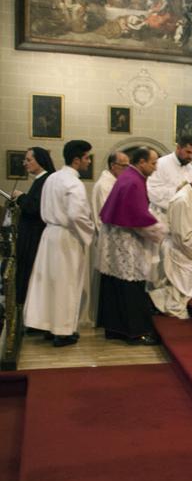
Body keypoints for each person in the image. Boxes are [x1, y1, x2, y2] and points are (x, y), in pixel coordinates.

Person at [23, 140, 93, 347]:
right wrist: (89, 233)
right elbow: (76, 215)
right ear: (76, 159)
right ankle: (63, 332)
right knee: (66, 284)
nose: (89, 162)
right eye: (87, 157)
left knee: (49, 283)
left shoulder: (52, 178)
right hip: (66, 237)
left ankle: (48, 326)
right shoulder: (74, 183)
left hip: (49, 235)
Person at [97, 146, 166, 345]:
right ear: (141, 162)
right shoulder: (133, 182)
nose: (155, 168)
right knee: (132, 288)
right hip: (125, 243)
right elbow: (138, 219)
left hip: (117, 239)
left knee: (117, 286)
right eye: (153, 163)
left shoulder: (128, 177)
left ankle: (116, 330)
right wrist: (161, 232)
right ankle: (137, 332)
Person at [149, 168, 192, 318]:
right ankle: (154, 300)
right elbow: (182, 235)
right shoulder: (182, 200)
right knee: (176, 298)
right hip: (180, 251)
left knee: (189, 293)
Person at [87, 150, 130, 323]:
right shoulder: (105, 185)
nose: (128, 169)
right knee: (111, 283)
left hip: (116, 238)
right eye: (124, 166)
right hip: (111, 238)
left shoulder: (115, 182)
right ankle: (108, 319)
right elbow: (110, 214)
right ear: (113, 166)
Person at [12, 147, 55, 306]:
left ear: (41, 161)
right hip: (30, 235)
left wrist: (21, 197)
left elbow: (34, 208)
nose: (25, 163)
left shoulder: (46, 180)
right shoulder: (40, 180)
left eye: (29, 160)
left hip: (35, 237)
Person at [147, 124, 192, 222]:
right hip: (160, 217)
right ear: (178, 148)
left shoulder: (191, 170)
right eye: (188, 152)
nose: (190, 157)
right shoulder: (160, 164)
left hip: (181, 218)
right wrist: (176, 191)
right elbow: (150, 191)